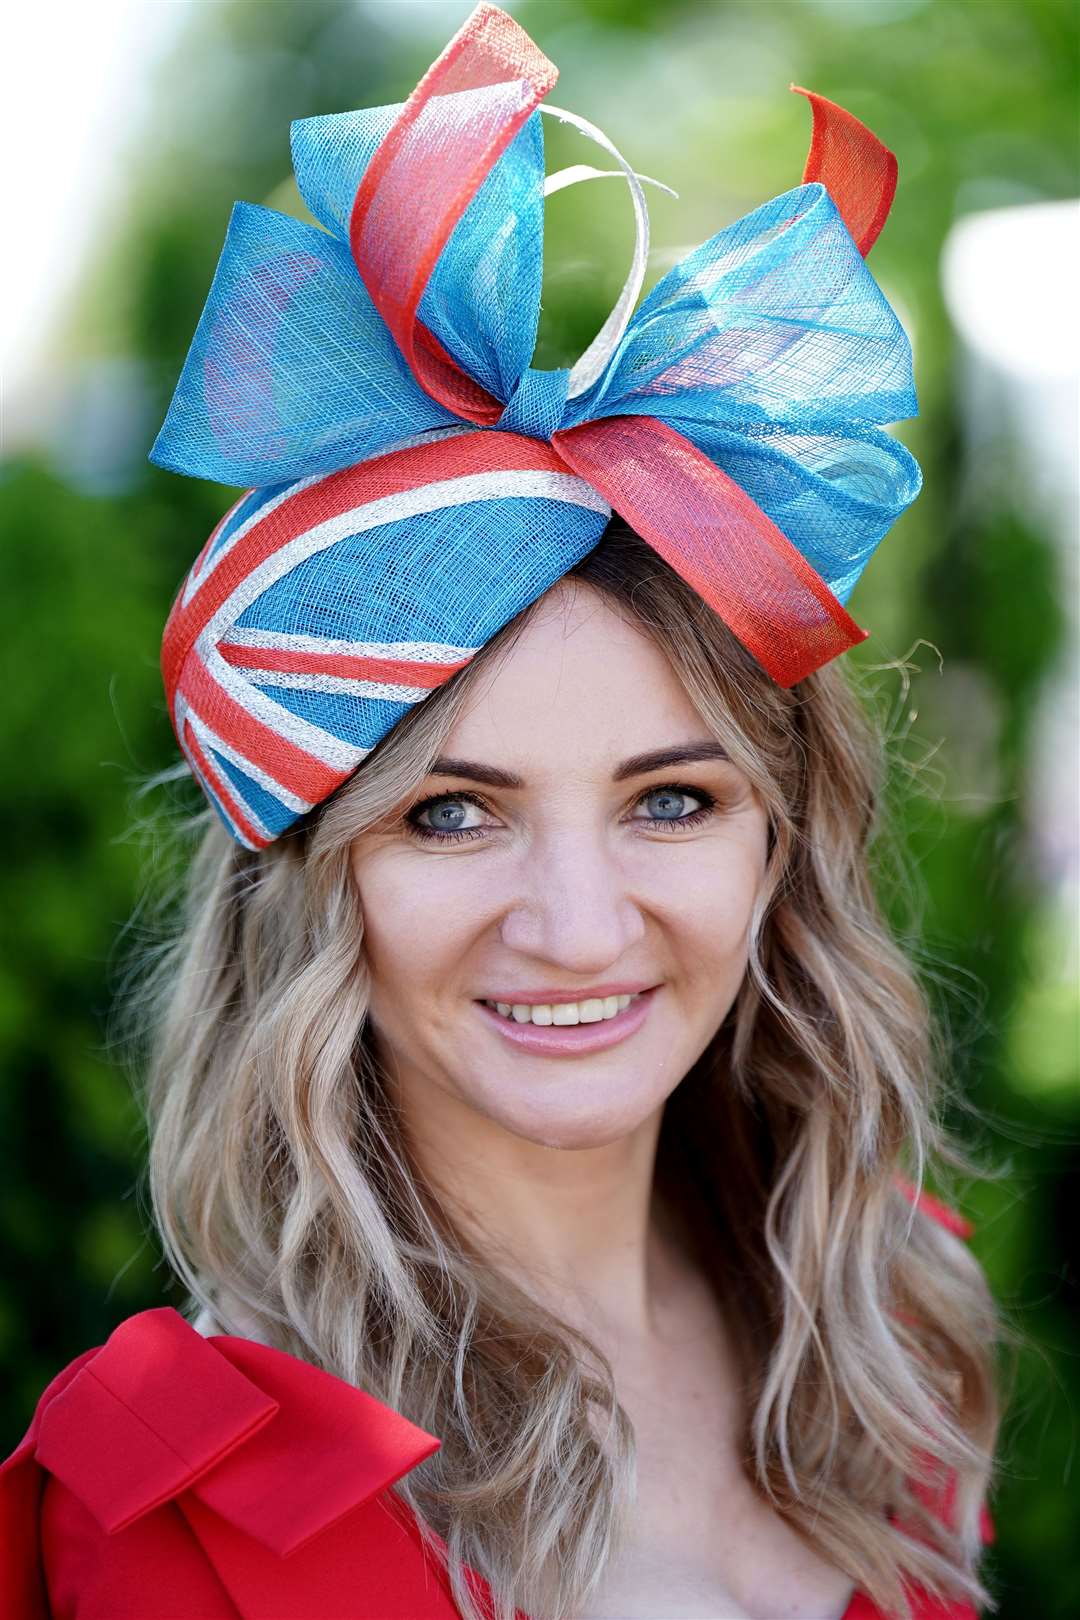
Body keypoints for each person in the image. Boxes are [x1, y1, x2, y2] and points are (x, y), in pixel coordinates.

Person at [1, 7, 1004, 1619]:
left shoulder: (889, 1331)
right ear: (314, 881)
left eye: (671, 798)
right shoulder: (177, 1504)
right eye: (453, 817)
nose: (581, 924)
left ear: (781, 844)